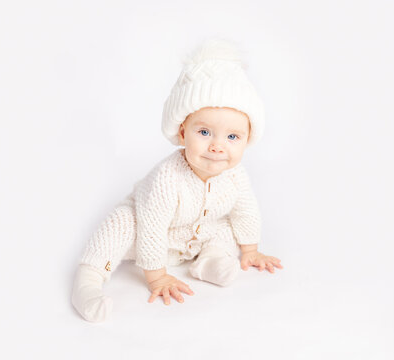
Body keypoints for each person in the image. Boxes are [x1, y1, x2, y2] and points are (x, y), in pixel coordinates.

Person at [71, 39, 283, 322]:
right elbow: (152, 227)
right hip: (147, 231)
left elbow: (246, 211)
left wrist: (251, 250)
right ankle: (88, 282)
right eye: (205, 132)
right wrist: (157, 277)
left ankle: (210, 261)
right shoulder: (167, 177)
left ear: (247, 140)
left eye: (232, 137)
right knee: (119, 224)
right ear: (183, 134)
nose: (218, 146)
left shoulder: (236, 176)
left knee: (225, 226)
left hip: (195, 234)